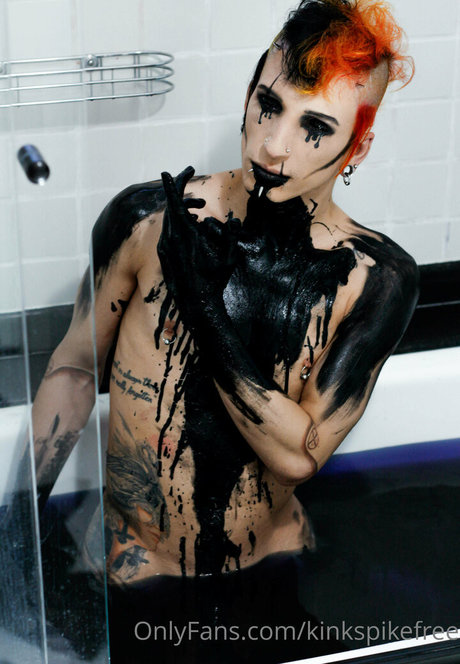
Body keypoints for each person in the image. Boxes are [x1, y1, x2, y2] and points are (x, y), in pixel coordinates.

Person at [25, 0, 419, 661]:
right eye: (269, 105)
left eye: (315, 127)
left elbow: (298, 455)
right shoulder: (147, 222)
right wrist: (23, 527)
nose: (274, 145)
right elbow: (73, 368)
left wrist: (199, 300)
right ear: (248, 97)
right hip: (131, 575)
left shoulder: (373, 280)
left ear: (359, 145)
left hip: (268, 574)